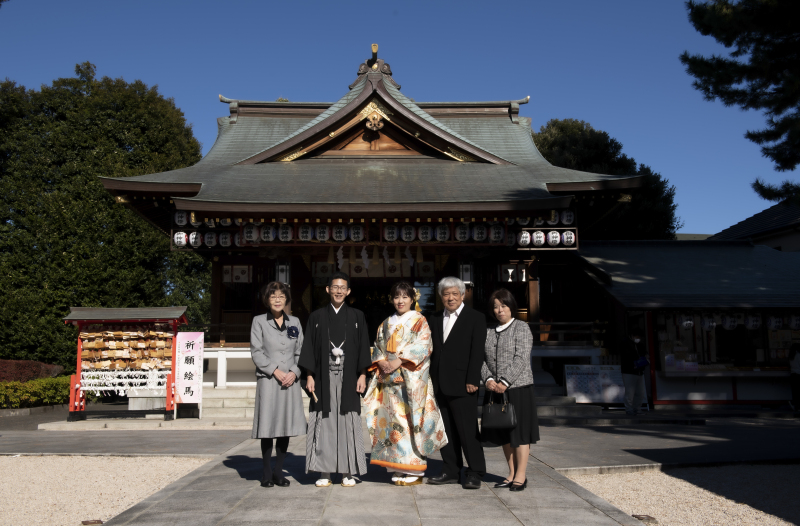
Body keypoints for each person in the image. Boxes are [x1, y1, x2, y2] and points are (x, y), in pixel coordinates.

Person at [363, 281, 448, 486]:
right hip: (390, 380)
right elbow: (377, 346)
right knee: (393, 423)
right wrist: (382, 361)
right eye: (396, 297)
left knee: (411, 423)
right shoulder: (385, 323)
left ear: (412, 299)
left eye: (405, 297)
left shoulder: (419, 320)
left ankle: (415, 466)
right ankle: (398, 465)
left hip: (410, 379)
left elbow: (424, 345)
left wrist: (399, 361)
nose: (400, 301)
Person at [298, 272, 371, 487]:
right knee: (325, 421)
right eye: (335, 287)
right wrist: (309, 375)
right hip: (323, 376)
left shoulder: (357, 316)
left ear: (348, 291)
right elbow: (309, 347)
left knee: (348, 420)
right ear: (328, 290)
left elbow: (363, 346)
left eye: (343, 288)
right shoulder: (317, 317)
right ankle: (325, 471)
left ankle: (348, 470)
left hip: (350, 375)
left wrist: (363, 374)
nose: (339, 291)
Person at [426, 276, 487, 489]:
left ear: (462, 295)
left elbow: (477, 351)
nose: (450, 298)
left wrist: (473, 379)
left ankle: (475, 471)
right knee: (446, 431)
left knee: (467, 430)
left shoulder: (475, 318)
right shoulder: (433, 318)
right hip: (439, 382)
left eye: (454, 293)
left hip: (464, 383)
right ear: (441, 296)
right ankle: (451, 469)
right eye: (446, 294)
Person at [481, 289, 539, 492]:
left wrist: (505, 381)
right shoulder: (488, 332)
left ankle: (521, 475)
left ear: (511, 306)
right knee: (504, 432)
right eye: (496, 306)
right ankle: (511, 472)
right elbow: (481, 359)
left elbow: (521, 357)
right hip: (495, 390)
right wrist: (488, 379)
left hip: (518, 387)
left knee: (520, 433)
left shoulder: (521, 327)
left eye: (503, 305)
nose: (499, 310)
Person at [250, 281, 306, 488]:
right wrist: (274, 370)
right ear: (267, 299)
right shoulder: (259, 322)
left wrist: (295, 372)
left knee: (285, 426)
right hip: (269, 380)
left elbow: (301, 351)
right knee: (268, 425)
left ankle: (278, 472)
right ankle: (266, 472)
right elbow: (256, 351)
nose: (277, 299)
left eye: (281, 296)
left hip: (290, 381)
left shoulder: (295, 322)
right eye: (273, 296)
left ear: (286, 299)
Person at [620, 328, 648, 415]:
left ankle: (636, 408)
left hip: (638, 370)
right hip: (629, 370)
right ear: (632, 335)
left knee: (640, 392)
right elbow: (627, 356)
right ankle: (629, 409)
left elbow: (644, 353)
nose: (638, 338)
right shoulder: (625, 343)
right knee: (630, 392)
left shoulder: (639, 345)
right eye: (637, 336)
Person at [789, 343, 800, 411]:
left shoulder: (791, 356)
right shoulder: (798, 355)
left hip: (793, 374)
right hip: (798, 374)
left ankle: (795, 404)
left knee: (795, 391)